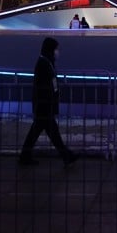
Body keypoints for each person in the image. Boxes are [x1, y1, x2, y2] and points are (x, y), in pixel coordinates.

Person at [18, 37, 78, 167]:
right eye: (56, 49)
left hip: (44, 104)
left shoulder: (46, 62)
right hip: (44, 104)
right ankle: (66, 156)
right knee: (51, 132)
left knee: (41, 131)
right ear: (51, 49)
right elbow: (46, 85)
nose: (58, 52)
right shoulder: (44, 63)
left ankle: (25, 156)